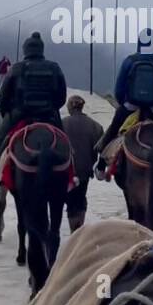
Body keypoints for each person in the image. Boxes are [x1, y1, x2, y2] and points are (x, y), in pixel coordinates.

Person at [0, 32, 67, 185]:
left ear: (25, 50)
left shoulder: (16, 68)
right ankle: (73, 173)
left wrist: (7, 114)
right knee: (66, 142)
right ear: (41, 50)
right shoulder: (55, 67)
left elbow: (3, 98)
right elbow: (61, 97)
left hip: (20, 115)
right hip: (49, 115)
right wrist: (52, 108)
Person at [95, 28, 153, 177]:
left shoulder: (129, 61)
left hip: (131, 105)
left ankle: (101, 165)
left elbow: (119, 89)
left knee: (113, 128)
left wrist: (123, 104)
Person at [61, 95, 104, 232]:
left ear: (69, 107)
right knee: (81, 198)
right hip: (85, 171)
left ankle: (74, 231)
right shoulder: (95, 126)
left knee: (70, 200)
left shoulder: (61, 124)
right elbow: (102, 149)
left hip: (66, 171)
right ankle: (79, 228)